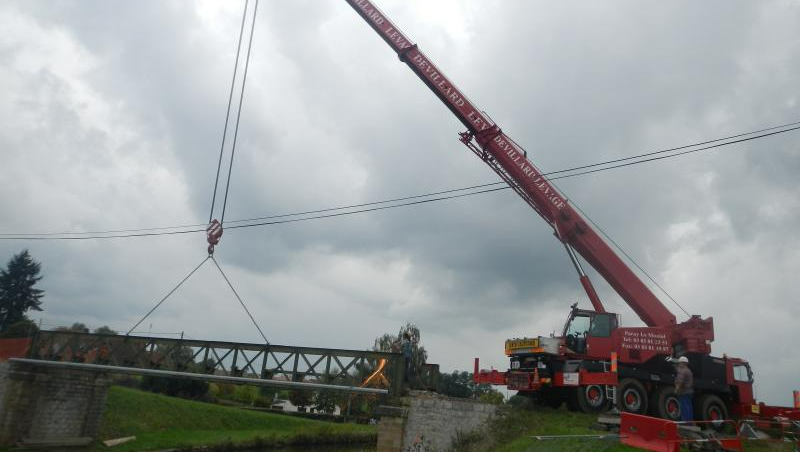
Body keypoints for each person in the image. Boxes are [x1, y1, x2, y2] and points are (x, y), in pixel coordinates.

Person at [674, 356, 694, 422]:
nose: (679, 364)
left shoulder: (682, 371)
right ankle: (689, 422)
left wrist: (676, 390)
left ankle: (685, 421)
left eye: (679, 363)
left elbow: (680, 381)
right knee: (689, 406)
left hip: (684, 392)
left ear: (683, 363)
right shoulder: (688, 370)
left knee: (684, 406)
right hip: (689, 391)